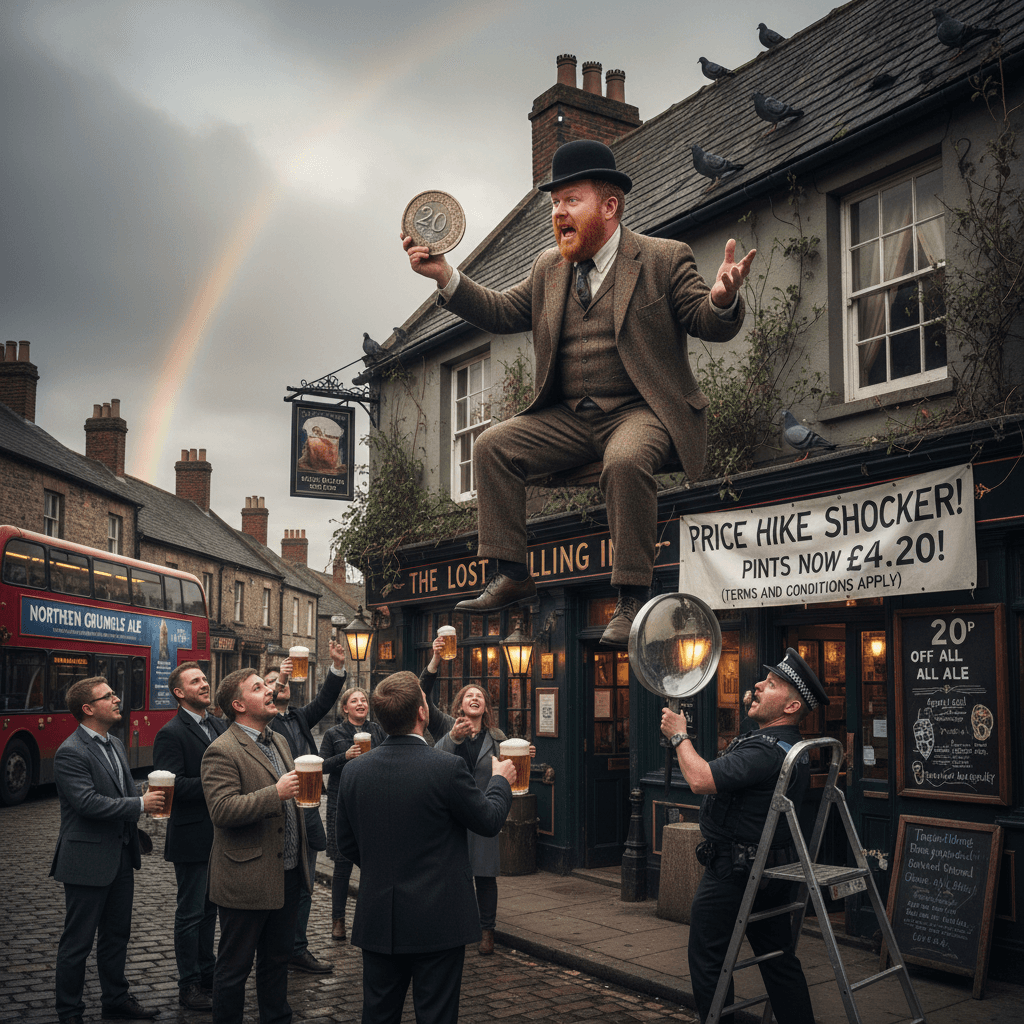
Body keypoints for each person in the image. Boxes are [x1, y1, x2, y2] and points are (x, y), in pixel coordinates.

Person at [402, 138, 755, 645]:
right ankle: (512, 573)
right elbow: (503, 311)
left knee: (627, 460)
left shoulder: (662, 258)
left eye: (571, 200)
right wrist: (445, 276)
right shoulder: (550, 267)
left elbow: (705, 318)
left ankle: (631, 598)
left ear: (609, 207)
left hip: (641, 411)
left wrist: (723, 297)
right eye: (553, 203)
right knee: (492, 444)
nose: (558, 213)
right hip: (570, 419)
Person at [336, 670, 515, 1024]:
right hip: (439, 919)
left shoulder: (355, 771)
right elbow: (488, 820)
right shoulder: (446, 768)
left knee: (378, 1014)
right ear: (422, 713)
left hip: (379, 918)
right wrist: (499, 781)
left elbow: (346, 844)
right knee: (436, 1015)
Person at [660, 648, 826, 1024]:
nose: (757, 686)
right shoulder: (786, 746)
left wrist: (678, 736)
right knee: (779, 960)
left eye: (771, 685)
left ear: (791, 706)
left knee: (707, 960)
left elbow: (701, 779)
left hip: (733, 873)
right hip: (769, 870)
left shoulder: (764, 750)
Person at [51, 676, 165, 1024]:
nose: (117, 699)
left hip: (120, 856)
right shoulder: (70, 751)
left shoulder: (114, 743)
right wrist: (140, 804)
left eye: (115, 693)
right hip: (86, 860)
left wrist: (144, 790)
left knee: (116, 936)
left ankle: (115, 998)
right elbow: (87, 803)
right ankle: (70, 1012)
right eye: (109, 696)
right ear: (88, 709)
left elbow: (120, 791)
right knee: (78, 943)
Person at [201, 668, 311, 1024]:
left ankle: (277, 1018)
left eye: (267, 686)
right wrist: (274, 794)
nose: (270, 691)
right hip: (247, 876)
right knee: (234, 967)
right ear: (238, 704)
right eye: (258, 687)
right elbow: (221, 810)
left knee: (277, 961)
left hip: (289, 871)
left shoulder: (277, 739)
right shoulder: (221, 750)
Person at [421, 641, 535, 955]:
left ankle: (487, 932)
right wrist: (435, 659)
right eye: (469, 695)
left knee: (485, 876)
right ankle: (455, 925)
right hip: (451, 815)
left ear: (485, 707)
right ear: (459, 705)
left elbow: (508, 772)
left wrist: (524, 757)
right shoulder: (445, 725)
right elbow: (422, 696)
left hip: (483, 813)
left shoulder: (497, 738)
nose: (475, 698)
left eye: (480, 697)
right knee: (452, 876)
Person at [265, 641, 348, 974]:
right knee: (278, 883)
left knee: (306, 883)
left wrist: (337, 666)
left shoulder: (299, 716)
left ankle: (298, 948)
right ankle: (274, 948)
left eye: (279, 683)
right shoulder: (263, 722)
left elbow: (326, 700)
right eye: (268, 684)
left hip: (309, 808)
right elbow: (268, 702)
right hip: (280, 808)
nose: (276, 687)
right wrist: (281, 679)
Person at [152, 662, 227, 1011]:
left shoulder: (215, 723)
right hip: (192, 836)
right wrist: (218, 786)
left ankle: (208, 973)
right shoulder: (171, 732)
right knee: (190, 913)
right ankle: (189, 984)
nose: (205, 684)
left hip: (220, 836)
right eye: (195, 681)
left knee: (210, 910)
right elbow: (173, 784)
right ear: (179, 692)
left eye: (204, 678)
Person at [318, 684, 385, 941]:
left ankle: (371, 918)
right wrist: (344, 756)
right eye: (355, 701)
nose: (361, 704)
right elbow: (322, 766)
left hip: (372, 803)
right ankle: (338, 920)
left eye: (364, 700)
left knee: (373, 865)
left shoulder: (376, 730)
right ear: (345, 708)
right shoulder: (334, 734)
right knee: (342, 866)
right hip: (341, 804)